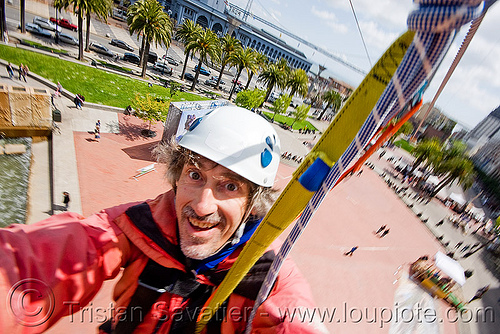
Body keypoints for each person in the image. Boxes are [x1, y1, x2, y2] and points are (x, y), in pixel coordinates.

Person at [0, 107, 326, 333]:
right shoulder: (138, 226)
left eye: (230, 186)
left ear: (253, 201)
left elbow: (294, 320)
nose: (201, 206)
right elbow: (45, 258)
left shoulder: (268, 278)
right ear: (176, 177)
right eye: (195, 174)